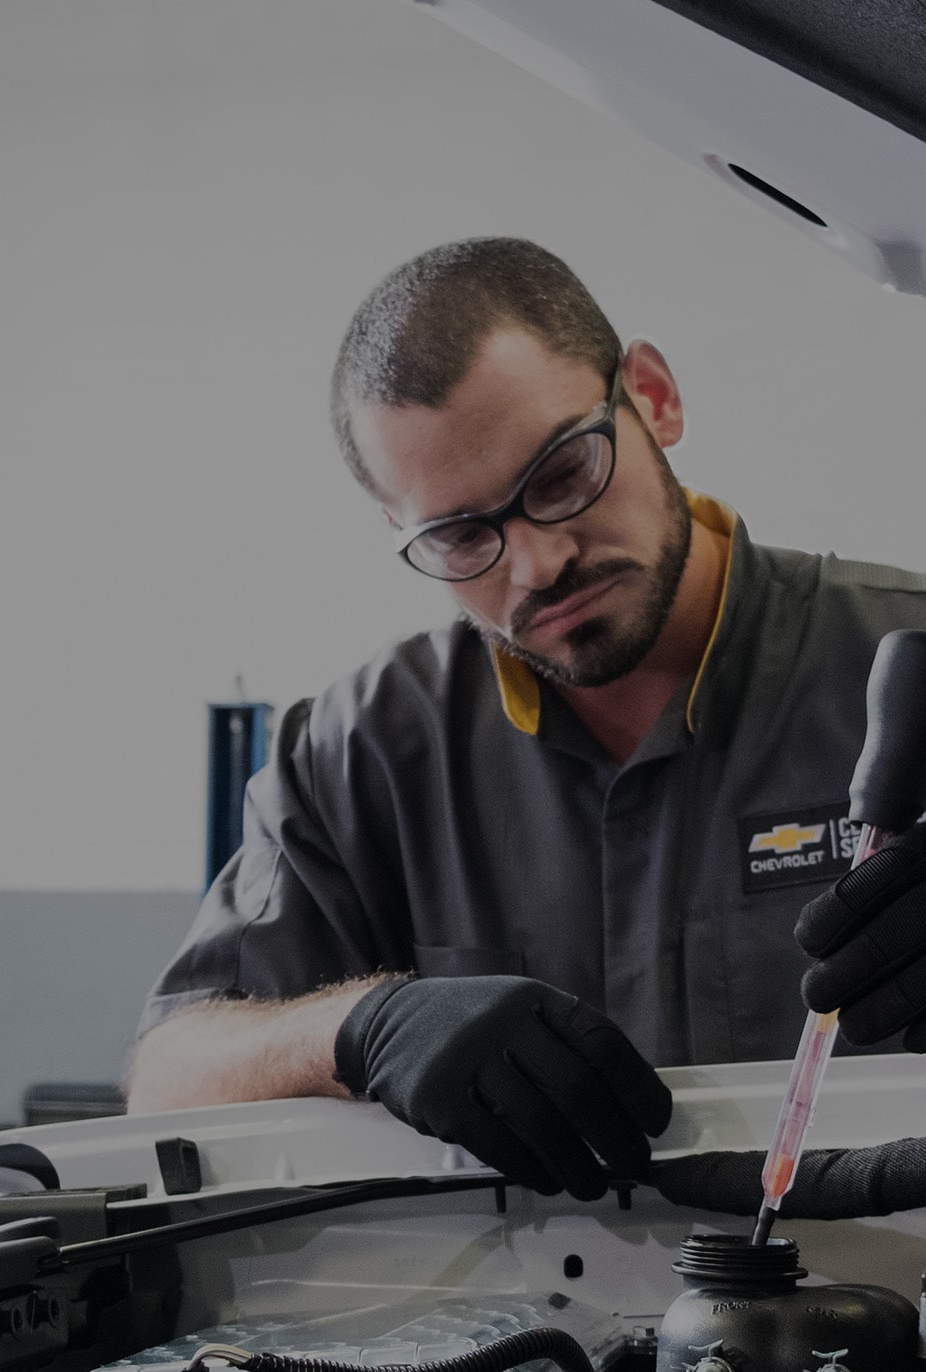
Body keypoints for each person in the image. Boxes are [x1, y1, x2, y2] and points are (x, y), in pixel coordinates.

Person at [126, 238, 926, 1203]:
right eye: (462, 534)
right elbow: (168, 1085)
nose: (538, 563)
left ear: (653, 398)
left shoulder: (904, 653)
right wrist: (362, 1030)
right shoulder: (362, 751)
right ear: (402, 531)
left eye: (559, 475)